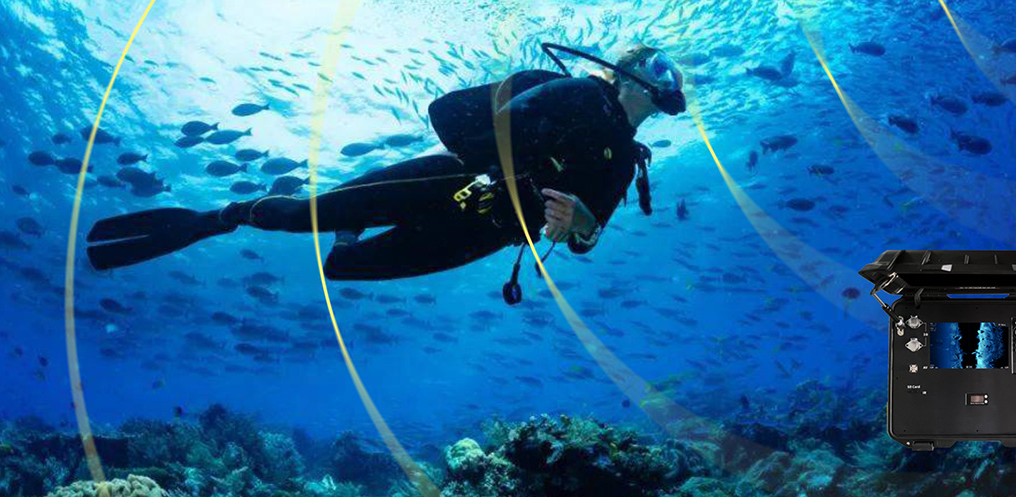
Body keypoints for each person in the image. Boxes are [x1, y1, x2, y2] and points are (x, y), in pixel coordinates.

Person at [86, 43, 685, 301]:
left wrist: (580, 224)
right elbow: (474, 122)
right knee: (300, 217)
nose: (670, 81)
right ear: (628, 73)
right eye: (660, 68)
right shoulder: (578, 94)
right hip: (449, 180)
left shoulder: (627, 161)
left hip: (487, 232)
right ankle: (222, 216)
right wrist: (516, 165)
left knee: (342, 267)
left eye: (674, 76)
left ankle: (349, 231)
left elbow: (585, 239)